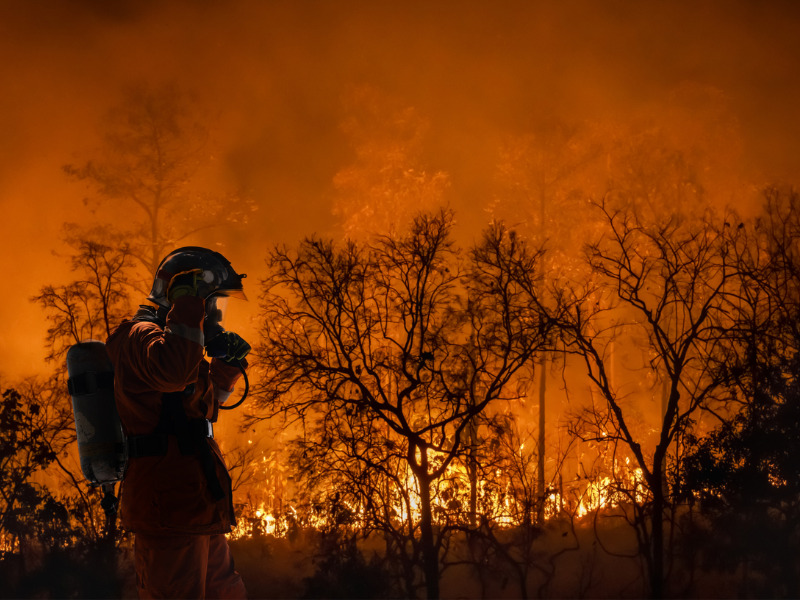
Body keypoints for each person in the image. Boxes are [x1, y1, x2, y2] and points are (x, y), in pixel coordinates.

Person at [106, 246, 250, 599]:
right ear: (179, 294)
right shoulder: (139, 336)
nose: (214, 314)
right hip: (168, 510)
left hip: (196, 507)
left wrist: (227, 368)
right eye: (210, 302)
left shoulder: (177, 344)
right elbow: (172, 375)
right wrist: (188, 309)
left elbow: (199, 412)